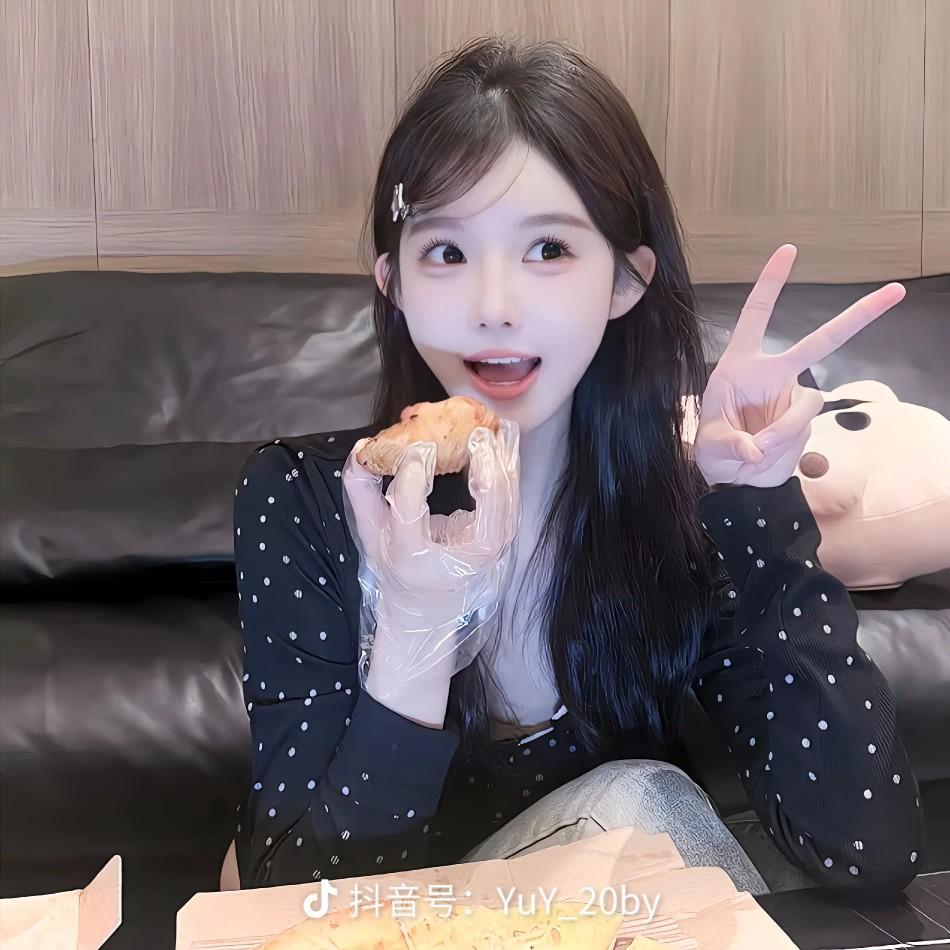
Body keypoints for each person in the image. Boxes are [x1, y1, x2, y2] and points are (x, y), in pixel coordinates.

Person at [222, 36, 924, 896]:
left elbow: (868, 849)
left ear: (625, 281)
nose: (495, 309)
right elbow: (304, 901)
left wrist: (757, 506)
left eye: (549, 249)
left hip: (614, 923)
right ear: (394, 283)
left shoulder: (677, 504)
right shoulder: (304, 499)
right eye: (446, 252)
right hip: (399, 925)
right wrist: (416, 630)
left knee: (645, 813)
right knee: (640, 803)